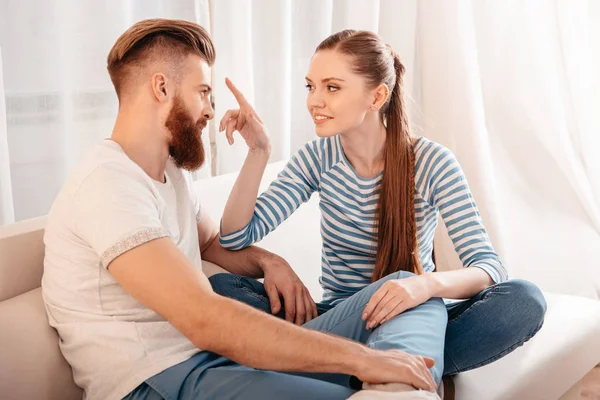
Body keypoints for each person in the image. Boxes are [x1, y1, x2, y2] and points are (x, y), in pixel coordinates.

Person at [41, 19, 443, 400]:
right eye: (202, 92)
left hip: (208, 362)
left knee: (411, 290)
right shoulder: (108, 183)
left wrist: (270, 262)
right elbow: (204, 318)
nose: (211, 111)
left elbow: (214, 243)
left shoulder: (169, 174)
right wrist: (366, 359)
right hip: (156, 380)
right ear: (161, 88)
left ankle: (406, 383)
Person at [214, 29, 548, 392]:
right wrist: (258, 151)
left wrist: (423, 287)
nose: (315, 101)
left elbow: (489, 268)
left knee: (524, 300)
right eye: (311, 87)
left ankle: (359, 364)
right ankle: (387, 364)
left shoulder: (432, 162)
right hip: (343, 321)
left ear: (377, 97)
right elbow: (235, 236)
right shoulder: (317, 158)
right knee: (222, 288)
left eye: (332, 87)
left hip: (414, 309)